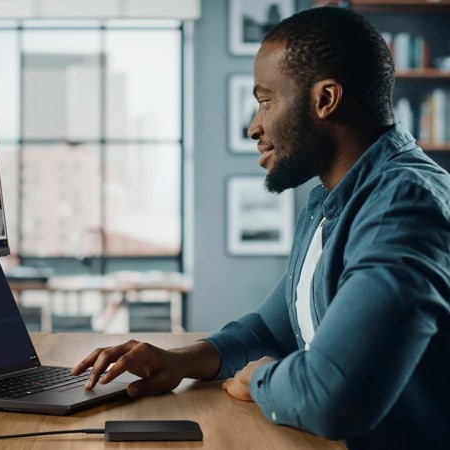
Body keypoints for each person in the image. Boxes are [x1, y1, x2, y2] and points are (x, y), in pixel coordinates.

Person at [71, 6, 450, 450]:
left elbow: (332, 397)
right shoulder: (333, 201)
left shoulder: (403, 206)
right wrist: (178, 361)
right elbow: (272, 330)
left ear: (325, 99)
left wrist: (260, 380)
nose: (254, 126)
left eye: (266, 100)